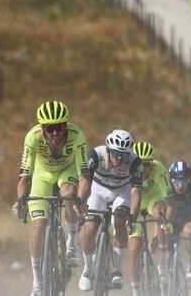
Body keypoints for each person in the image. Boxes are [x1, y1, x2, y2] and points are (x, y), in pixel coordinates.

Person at [13, 101, 89, 296]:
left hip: (67, 171)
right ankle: (37, 280)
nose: (55, 133)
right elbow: (24, 176)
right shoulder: (33, 137)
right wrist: (21, 200)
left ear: (66, 126)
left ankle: (72, 241)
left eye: (60, 127)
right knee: (38, 226)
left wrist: (81, 201)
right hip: (42, 174)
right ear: (42, 128)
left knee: (68, 195)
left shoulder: (77, 135)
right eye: (49, 128)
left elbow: (84, 175)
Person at [78, 130, 144, 292]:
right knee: (90, 228)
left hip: (122, 192)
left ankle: (117, 270)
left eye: (124, 154)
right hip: (98, 191)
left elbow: (136, 191)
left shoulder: (135, 162)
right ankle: (87, 269)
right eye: (115, 153)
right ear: (108, 150)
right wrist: (81, 202)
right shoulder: (95, 155)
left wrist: (132, 216)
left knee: (120, 221)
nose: (119, 158)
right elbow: (85, 182)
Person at [127, 141, 171, 296]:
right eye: (139, 164)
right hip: (135, 204)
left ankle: (163, 264)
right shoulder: (127, 169)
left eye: (146, 165)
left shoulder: (159, 169)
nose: (143, 169)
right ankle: (135, 290)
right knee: (133, 248)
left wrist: (168, 220)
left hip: (153, 199)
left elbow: (170, 200)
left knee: (160, 213)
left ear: (152, 164)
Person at [165, 160, 191, 289]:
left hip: (187, 220)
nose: (180, 186)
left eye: (184, 182)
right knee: (168, 251)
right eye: (176, 182)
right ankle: (164, 274)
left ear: (189, 180)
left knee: (189, 231)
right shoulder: (166, 186)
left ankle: (190, 268)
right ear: (171, 180)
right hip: (171, 219)